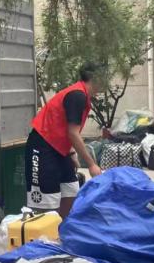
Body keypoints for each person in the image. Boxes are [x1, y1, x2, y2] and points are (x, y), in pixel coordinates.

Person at [25, 63, 105, 218]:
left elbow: (65, 126)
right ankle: (45, 231)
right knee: (46, 201)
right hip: (42, 147)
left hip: (60, 150)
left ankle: (64, 228)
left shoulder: (83, 95)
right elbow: (73, 133)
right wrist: (91, 165)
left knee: (71, 190)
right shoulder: (77, 95)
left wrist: (72, 152)